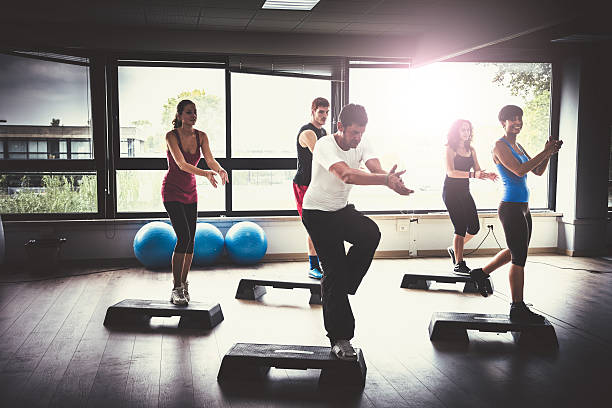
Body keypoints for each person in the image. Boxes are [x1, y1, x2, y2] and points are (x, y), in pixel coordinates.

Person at [301, 103, 413, 360]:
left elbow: (375, 167)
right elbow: (347, 175)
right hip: (317, 214)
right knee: (334, 271)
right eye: (353, 133)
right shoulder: (325, 145)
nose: (358, 138)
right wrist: (385, 180)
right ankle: (340, 338)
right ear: (340, 127)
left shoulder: (361, 142)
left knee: (370, 234)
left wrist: (391, 180)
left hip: (340, 210)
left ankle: (342, 284)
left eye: (361, 133)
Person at [469, 105, 562, 321]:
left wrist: (548, 153)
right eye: (513, 119)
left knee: (515, 250)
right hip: (510, 207)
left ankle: (480, 274)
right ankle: (517, 307)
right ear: (503, 123)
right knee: (519, 257)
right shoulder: (499, 146)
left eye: (520, 119)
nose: (518, 122)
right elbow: (519, 171)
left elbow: (537, 170)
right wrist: (545, 151)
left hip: (523, 207)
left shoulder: (518, 147)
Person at [162, 99, 229, 305]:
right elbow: (181, 164)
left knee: (190, 239)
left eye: (195, 112)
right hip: (172, 191)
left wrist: (219, 169)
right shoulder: (171, 136)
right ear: (180, 115)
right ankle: (176, 287)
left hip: (190, 192)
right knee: (183, 236)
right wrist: (205, 173)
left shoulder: (201, 136)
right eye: (189, 112)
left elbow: (209, 159)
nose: (193, 115)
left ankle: (184, 284)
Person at [443, 119, 497, 275]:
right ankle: (459, 264)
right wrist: (474, 174)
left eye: (468, 130)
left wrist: (487, 175)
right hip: (451, 192)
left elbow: (478, 170)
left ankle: (454, 249)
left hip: (464, 192)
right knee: (459, 228)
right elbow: (451, 172)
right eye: (462, 130)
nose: (466, 133)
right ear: (456, 132)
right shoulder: (450, 149)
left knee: (474, 227)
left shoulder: (471, 150)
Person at [293, 97, 330, 279]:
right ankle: (313, 267)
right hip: (303, 184)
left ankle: (324, 263)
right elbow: (322, 156)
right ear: (313, 111)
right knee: (313, 226)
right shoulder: (308, 132)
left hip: (317, 184)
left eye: (327, 112)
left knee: (323, 224)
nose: (324, 116)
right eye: (321, 112)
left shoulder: (323, 131)